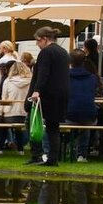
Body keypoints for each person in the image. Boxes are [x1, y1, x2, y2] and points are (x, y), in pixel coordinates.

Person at [26, 27, 70, 166]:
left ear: (45, 39)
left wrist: (37, 90)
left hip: (48, 93)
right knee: (53, 127)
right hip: (61, 93)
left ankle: (37, 154)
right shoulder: (63, 52)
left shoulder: (46, 52)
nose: (37, 44)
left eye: (38, 41)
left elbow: (43, 73)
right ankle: (53, 158)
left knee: (32, 121)